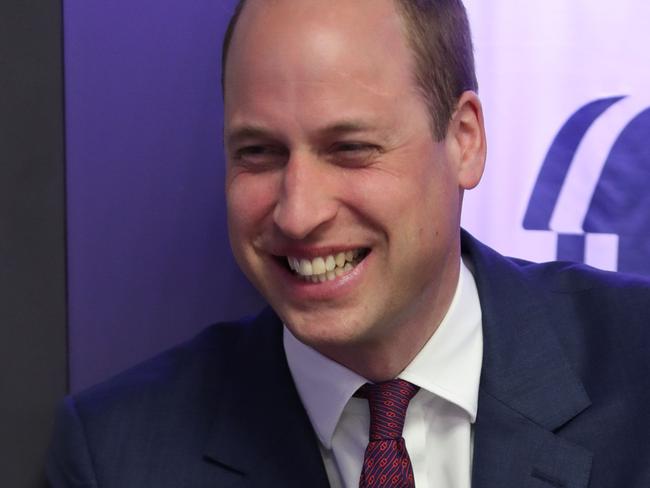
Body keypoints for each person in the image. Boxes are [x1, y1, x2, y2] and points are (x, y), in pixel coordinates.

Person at [47, 0, 650, 486]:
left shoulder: (635, 360)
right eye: (258, 153)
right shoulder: (116, 454)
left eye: (350, 149)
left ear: (464, 140)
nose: (299, 212)